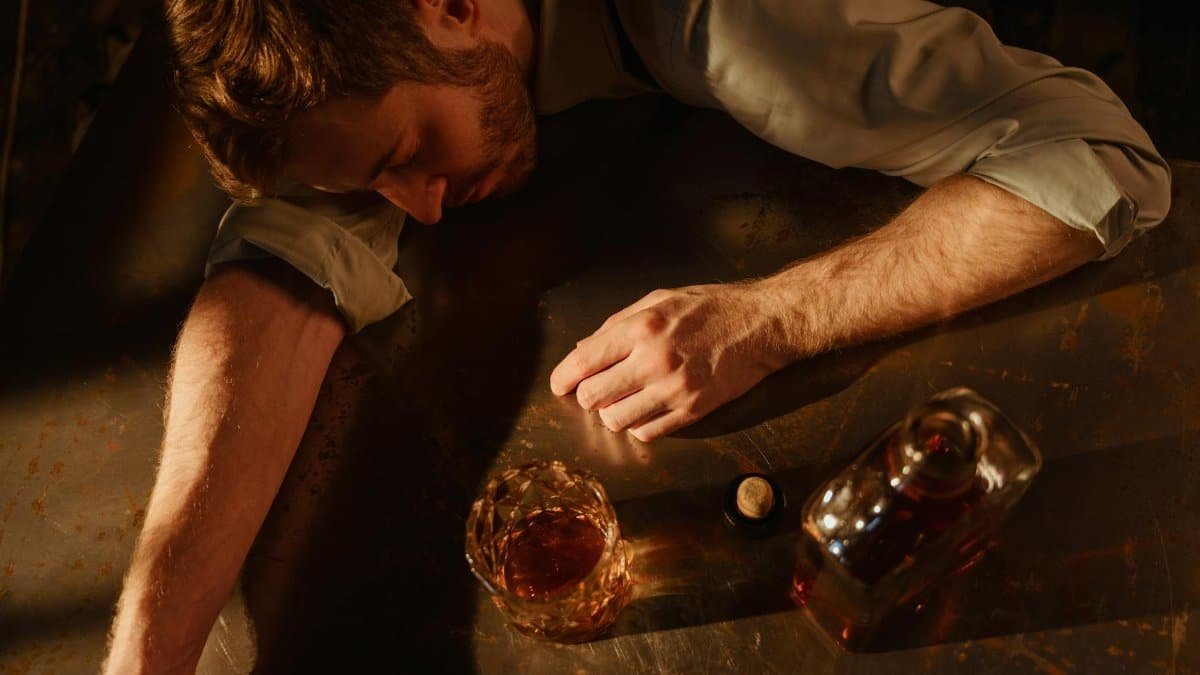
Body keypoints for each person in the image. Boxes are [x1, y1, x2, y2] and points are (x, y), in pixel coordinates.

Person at [103, 0, 1170, 671]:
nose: (418, 209)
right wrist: (149, 657)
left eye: (410, 150)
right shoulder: (383, 50)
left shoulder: (752, 34)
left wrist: (772, 316)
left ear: (452, 8)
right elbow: (279, 264)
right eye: (375, 179)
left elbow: (1098, 166)